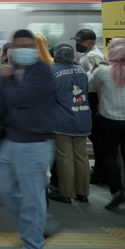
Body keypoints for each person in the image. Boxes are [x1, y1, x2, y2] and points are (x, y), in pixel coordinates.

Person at [0, 29, 56, 249]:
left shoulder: (42, 71)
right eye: (19, 45)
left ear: (34, 48)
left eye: (28, 45)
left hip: (35, 143)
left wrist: (10, 79)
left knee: (32, 198)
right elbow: (0, 105)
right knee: (3, 189)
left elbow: (24, 99)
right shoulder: (8, 73)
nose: (24, 49)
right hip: (11, 140)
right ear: (12, 48)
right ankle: (43, 225)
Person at [88, 38, 125, 211]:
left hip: (108, 121)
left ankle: (117, 191)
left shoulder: (104, 71)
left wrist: (95, 68)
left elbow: (88, 84)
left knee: (109, 156)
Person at [48, 42, 91, 204]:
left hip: (62, 120)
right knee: (82, 157)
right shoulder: (81, 71)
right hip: (83, 117)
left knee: (64, 157)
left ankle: (66, 193)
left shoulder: (52, 72)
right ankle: (83, 192)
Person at [71, 28, 107, 185]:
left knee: (97, 138)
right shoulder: (87, 54)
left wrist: (99, 103)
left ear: (92, 42)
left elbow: (98, 81)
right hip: (90, 97)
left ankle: (100, 173)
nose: (78, 43)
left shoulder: (93, 56)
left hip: (93, 97)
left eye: (81, 41)